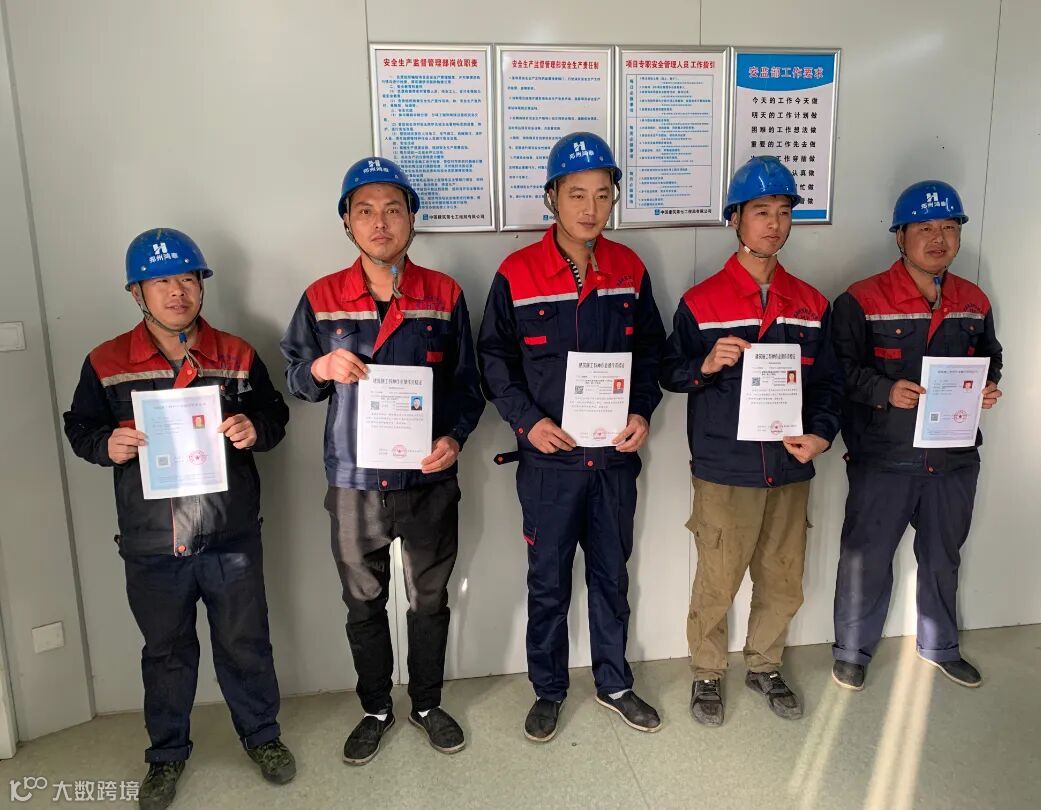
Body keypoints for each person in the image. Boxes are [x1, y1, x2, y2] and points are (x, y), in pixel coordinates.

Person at [63, 228, 295, 810]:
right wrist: (105, 445)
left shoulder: (236, 354)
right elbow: (80, 426)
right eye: (162, 281)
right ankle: (166, 754)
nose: (177, 292)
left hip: (229, 532)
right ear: (137, 292)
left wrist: (255, 429)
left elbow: (274, 415)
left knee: (245, 642)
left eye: (188, 279)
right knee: (165, 651)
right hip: (152, 540)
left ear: (201, 286)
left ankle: (262, 737)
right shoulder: (107, 361)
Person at [280, 156, 484, 764]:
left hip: (428, 479)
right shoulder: (321, 298)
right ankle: (375, 708)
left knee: (429, 599)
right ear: (346, 221)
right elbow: (295, 379)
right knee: (363, 602)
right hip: (355, 483)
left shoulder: (444, 294)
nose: (380, 222)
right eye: (364, 210)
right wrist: (320, 367)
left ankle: (426, 703)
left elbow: (468, 386)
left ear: (412, 219)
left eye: (393, 209)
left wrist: (454, 438)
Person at [477, 132, 666, 741]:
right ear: (552, 197)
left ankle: (615, 683)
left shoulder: (629, 269)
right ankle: (549, 690)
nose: (591, 207)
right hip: (550, 465)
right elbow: (493, 359)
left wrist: (642, 413)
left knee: (612, 577)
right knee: (549, 582)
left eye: (603, 195)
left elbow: (652, 352)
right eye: (577, 194)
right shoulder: (517, 273)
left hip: (613, 460)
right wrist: (527, 422)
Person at [660, 156, 844, 725]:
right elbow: (667, 373)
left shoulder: (811, 304)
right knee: (717, 579)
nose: (774, 224)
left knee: (783, 576)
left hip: (789, 467)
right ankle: (707, 672)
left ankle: (765, 664)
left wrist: (821, 436)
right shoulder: (702, 302)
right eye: (761, 211)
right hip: (725, 468)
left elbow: (829, 385)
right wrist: (704, 364)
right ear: (735, 218)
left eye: (784, 212)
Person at [830, 180, 1003, 691]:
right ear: (900, 236)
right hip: (885, 458)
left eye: (949, 227)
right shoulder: (862, 298)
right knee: (866, 557)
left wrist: (988, 386)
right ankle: (852, 651)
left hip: (953, 457)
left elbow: (990, 356)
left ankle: (940, 646)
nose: (938, 238)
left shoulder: (973, 300)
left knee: (943, 556)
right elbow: (839, 372)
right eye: (925, 228)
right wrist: (885, 390)